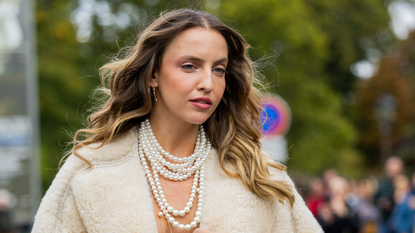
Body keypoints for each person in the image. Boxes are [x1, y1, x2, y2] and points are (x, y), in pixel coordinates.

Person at [31, 9, 322, 233]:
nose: (208, 82)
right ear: (153, 74)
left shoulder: (259, 175)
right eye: (189, 66)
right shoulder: (91, 171)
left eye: (218, 69)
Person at [374, 156, 404, 233]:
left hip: (401, 222)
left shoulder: (405, 185)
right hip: (386, 220)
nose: (395, 175)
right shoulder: (382, 185)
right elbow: (375, 201)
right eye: (393, 172)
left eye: (397, 172)